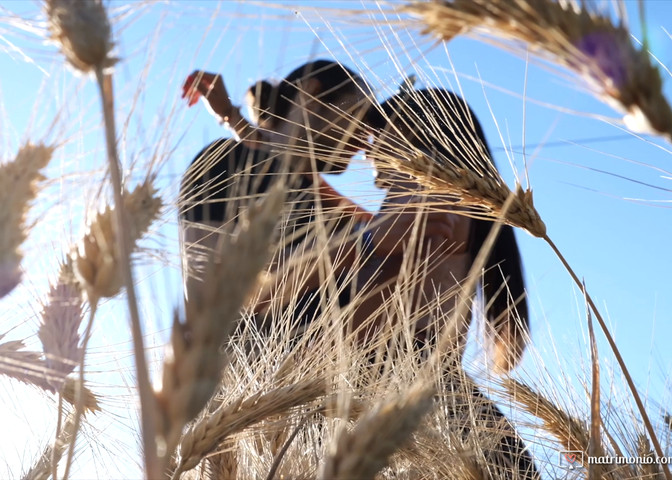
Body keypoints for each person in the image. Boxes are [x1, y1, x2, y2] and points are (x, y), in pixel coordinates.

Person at [354, 84, 539, 479]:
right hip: (439, 388)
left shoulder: (422, 189)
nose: (367, 150)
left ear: (414, 133)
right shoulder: (465, 198)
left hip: (389, 377)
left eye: (380, 133)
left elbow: (365, 302)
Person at [179, 60, 373, 334]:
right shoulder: (224, 163)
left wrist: (235, 120)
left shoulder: (333, 212)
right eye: (360, 116)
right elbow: (205, 304)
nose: (366, 142)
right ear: (310, 94)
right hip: (251, 367)